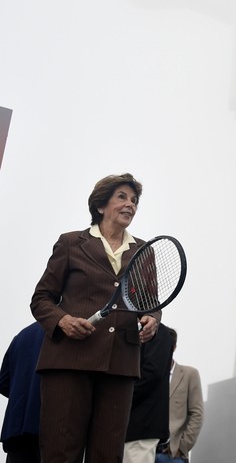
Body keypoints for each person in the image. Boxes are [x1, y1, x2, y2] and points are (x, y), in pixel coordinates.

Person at [30, 173, 160, 463]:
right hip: (68, 362)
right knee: (60, 453)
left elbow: (151, 304)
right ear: (101, 206)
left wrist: (152, 318)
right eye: (122, 197)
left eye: (135, 200)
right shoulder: (70, 243)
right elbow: (41, 299)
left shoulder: (144, 252)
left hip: (120, 365)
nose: (130, 205)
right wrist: (62, 320)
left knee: (107, 456)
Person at [124, 323, 173, 463]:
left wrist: (120, 398)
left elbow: (152, 374)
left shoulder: (158, 332)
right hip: (124, 426)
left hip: (141, 427)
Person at [155, 328, 203, 463]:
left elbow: (197, 413)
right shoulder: (144, 373)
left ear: (174, 347)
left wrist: (182, 447)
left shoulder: (189, 375)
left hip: (172, 454)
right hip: (143, 450)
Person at [0, 322, 43, 463]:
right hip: (48, 427)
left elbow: (3, 382)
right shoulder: (70, 331)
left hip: (15, 429)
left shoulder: (21, 336)